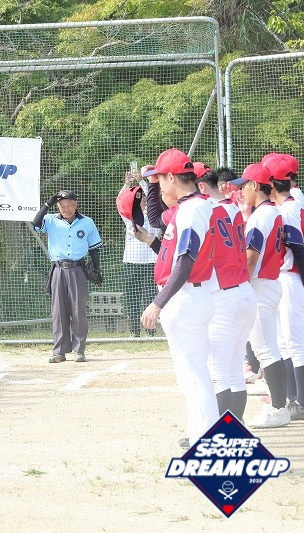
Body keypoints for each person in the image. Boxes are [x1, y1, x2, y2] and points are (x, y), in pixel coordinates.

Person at [138, 148, 218, 447]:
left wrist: (158, 303)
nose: (158, 184)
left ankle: (206, 443)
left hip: (186, 296)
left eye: (160, 179)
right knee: (192, 375)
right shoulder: (192, 206)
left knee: (194, 376)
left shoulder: (192, 209)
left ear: (172, 177)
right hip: (189, 295)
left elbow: (185, 260)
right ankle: (203, 438)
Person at [228, 163, 289, 428]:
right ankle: (280, 405)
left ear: (255, 185)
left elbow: (251, 257)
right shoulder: (270, 211)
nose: (241, 191)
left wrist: (237, 285)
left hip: (260, 285)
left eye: (244, 185)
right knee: (270, 348)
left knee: (266, 349)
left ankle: (279, 409)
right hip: (268, 283)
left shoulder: (261, 215)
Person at [193, 165, 255, 423]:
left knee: (218, 374)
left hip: (224, 296)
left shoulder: (205, 211)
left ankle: (218, 433)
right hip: (245, 292)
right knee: (234, 373)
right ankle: (234, 430)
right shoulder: (233, 208)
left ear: (201, 187)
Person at [32, 190, 102, 363]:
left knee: (78, 310)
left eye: (70, 205)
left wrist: (97, 267)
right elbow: (35, 223)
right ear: (57, 206)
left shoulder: (87, 222)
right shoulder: (50, 220)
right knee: (58, 311)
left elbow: (94, 248)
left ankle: (79, 350)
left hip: (78, 269)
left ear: (76, 204)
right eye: (62, 205)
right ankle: (59, 352)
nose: (66, 209)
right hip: (58, 270)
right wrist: (47, 204)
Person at [263, 154, 304, 421]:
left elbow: (298, 249)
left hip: (291, 278)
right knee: (284, 342)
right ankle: (292, 398)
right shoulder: (285, 205)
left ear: (272, 183)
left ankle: (301, 401)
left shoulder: (289, 208)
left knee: (295, 341)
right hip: (283, 278)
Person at [117, 171, 160, 337]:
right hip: (131, 263)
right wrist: (127, 184)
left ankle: (150, 331)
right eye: (136, 199)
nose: (139, 202)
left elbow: (154, 197)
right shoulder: (129, 217)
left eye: (142, 198)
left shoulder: (154, 217)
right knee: (132, 299)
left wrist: (141, 181)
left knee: (150, 297)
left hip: (151, 262)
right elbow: (120, 201)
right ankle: (134, 332)